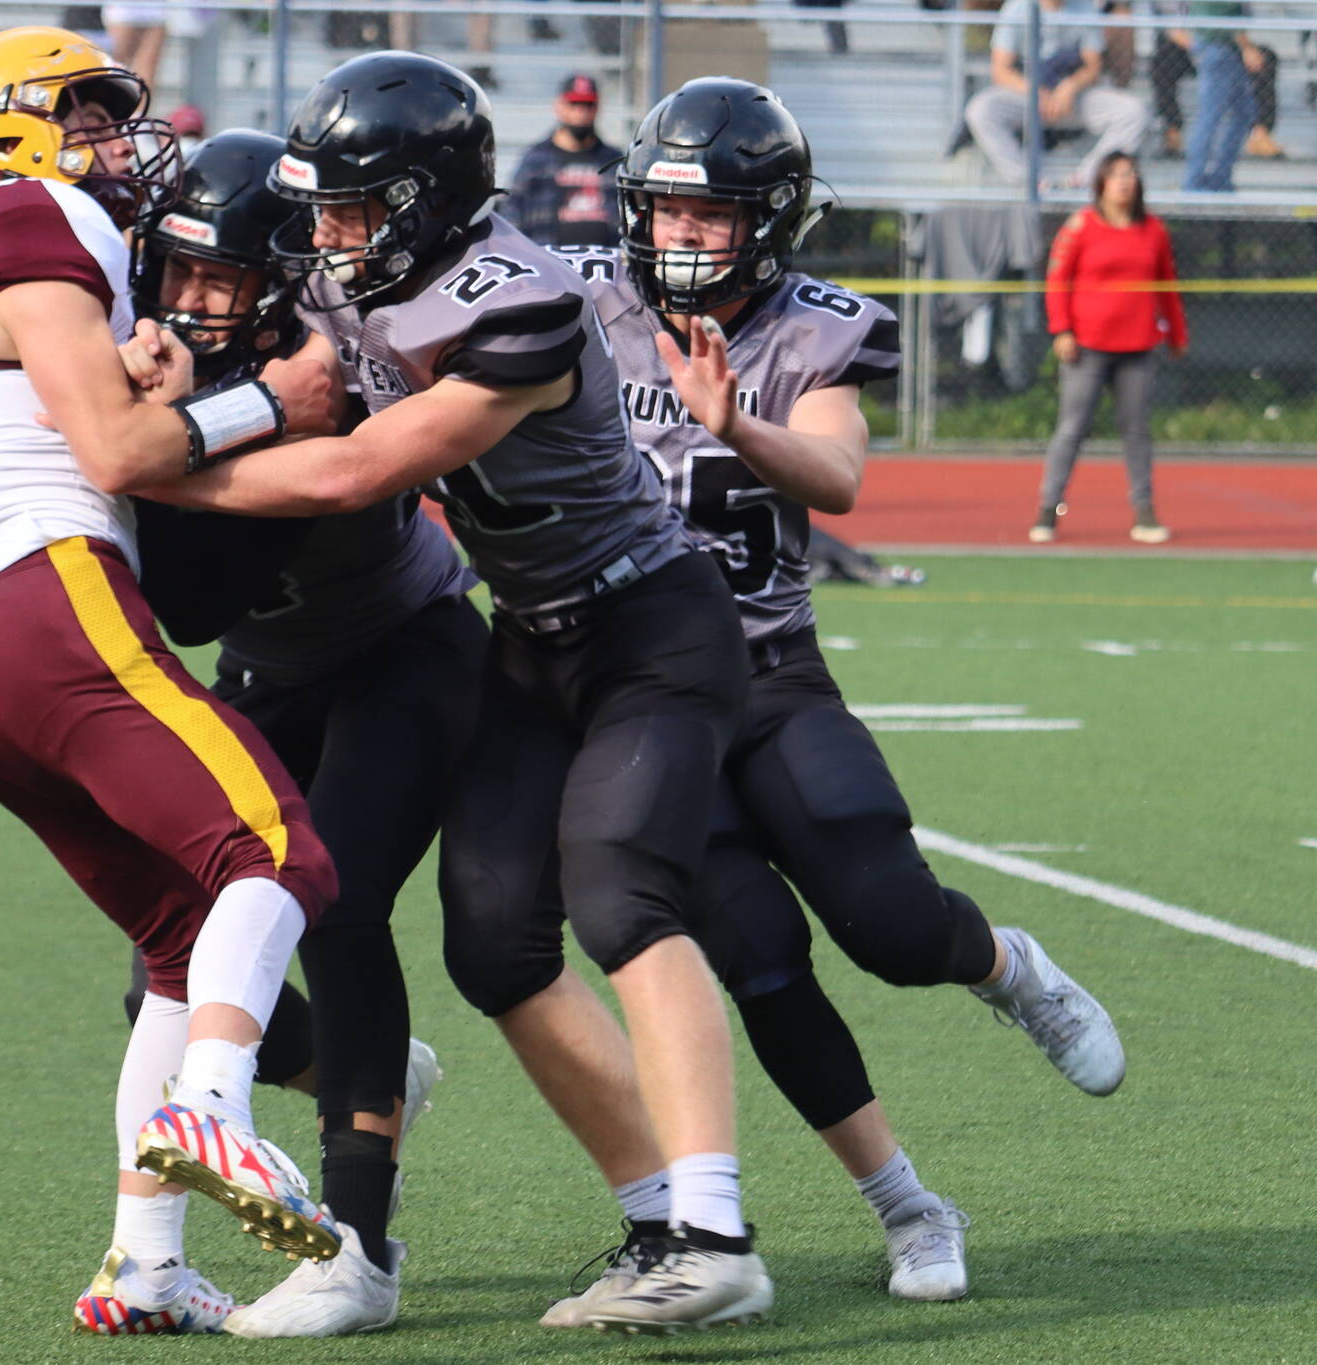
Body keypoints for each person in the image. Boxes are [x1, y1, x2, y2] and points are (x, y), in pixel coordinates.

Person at [124, 51, 771, 1334]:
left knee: (614, 893)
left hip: (647, 614)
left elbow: (356, 468)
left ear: (424, 202)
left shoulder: (514, 305)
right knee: (490, 945)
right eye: (319, 213)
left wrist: (154, 454)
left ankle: (712, 1231)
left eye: (353, 211)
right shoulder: (327, 277)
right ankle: (653, 1223)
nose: (325, 238)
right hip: (525, 639)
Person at [533, 77, 1126, 1317]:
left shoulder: (812, 326)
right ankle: (909, 1206)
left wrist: (738, 428)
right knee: (756, 963)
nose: (682, 237)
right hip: (640, 699)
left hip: (764, 675)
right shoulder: (584, 299)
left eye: (712, 216)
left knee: (892, 926)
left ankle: (1004, 964)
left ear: (772, 220)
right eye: (667, 212)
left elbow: (842, 474)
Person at [0, 25, 343, 1335]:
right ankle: (216, 1111)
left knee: (183, 946)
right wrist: (270, 402)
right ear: (3, 125)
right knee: (277, 849)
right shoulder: (34, 210)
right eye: (81, 111)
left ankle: (144, 1261)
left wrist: (154, 370)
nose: (113, 141)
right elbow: (125, 454)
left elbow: (41, 416)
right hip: (44, 595)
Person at [123, 127, 484, 1336]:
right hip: (271, 671)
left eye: (223, 280)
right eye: (176, 274)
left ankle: (360, 1253)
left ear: (277, 282)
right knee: (167, 968)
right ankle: (364, 1075)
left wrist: (170, 430)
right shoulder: (153, 336)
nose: (192, 302)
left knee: (331, 899)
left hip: (403, 648)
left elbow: (186, 592)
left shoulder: (316, 365)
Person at [1031, 151, 1185, 544]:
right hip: (1088, 346)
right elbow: (1057, 279)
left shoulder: (1153, 230)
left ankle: (1145, 512)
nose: (1124, 181)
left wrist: (1177, 334)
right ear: (1100, 183)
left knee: (1136, 430)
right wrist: (1061, 329)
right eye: (1116, 175)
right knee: (1072, 428)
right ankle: (1050, 511)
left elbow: (1167, 285)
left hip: (1139, 345)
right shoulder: (1081, 226)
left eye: (1130, 173)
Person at [965, 0, 1149, 188]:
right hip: (1027, 97)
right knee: (980, 110)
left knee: (1133, 112)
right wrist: (1034, 92)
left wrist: (1070, 86)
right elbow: (1000, 70)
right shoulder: (1017, 7)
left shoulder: (1084, 7)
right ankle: (1029, 182)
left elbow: (1093, 66)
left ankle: (1083, 181)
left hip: (1073, 100)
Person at [1146, 4, 1282, 161]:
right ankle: (1172, 129)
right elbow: (1171, 29)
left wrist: (1244, 48)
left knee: (1265, 59)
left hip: (1225, 45)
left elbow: (1237, 23)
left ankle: (1260, 134)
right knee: (1162, 61)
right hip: (1190, 46)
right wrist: (1204, 49)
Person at [504, 73, 622, 248]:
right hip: (550, 263)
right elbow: (512, 217)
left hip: (607, 265)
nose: (581, 112)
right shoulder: (535, 161)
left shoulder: (613, 160)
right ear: (559, 106)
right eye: (574, 103)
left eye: (588, 104)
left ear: (598, 108)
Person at [1180, 0, 1260, 191]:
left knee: (1243, 113)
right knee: (1209, 118)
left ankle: (1221, 177)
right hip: (1217, 47)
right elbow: (1227, 16)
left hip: (1226, 48)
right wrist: (1247, 47)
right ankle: (1194, 182)